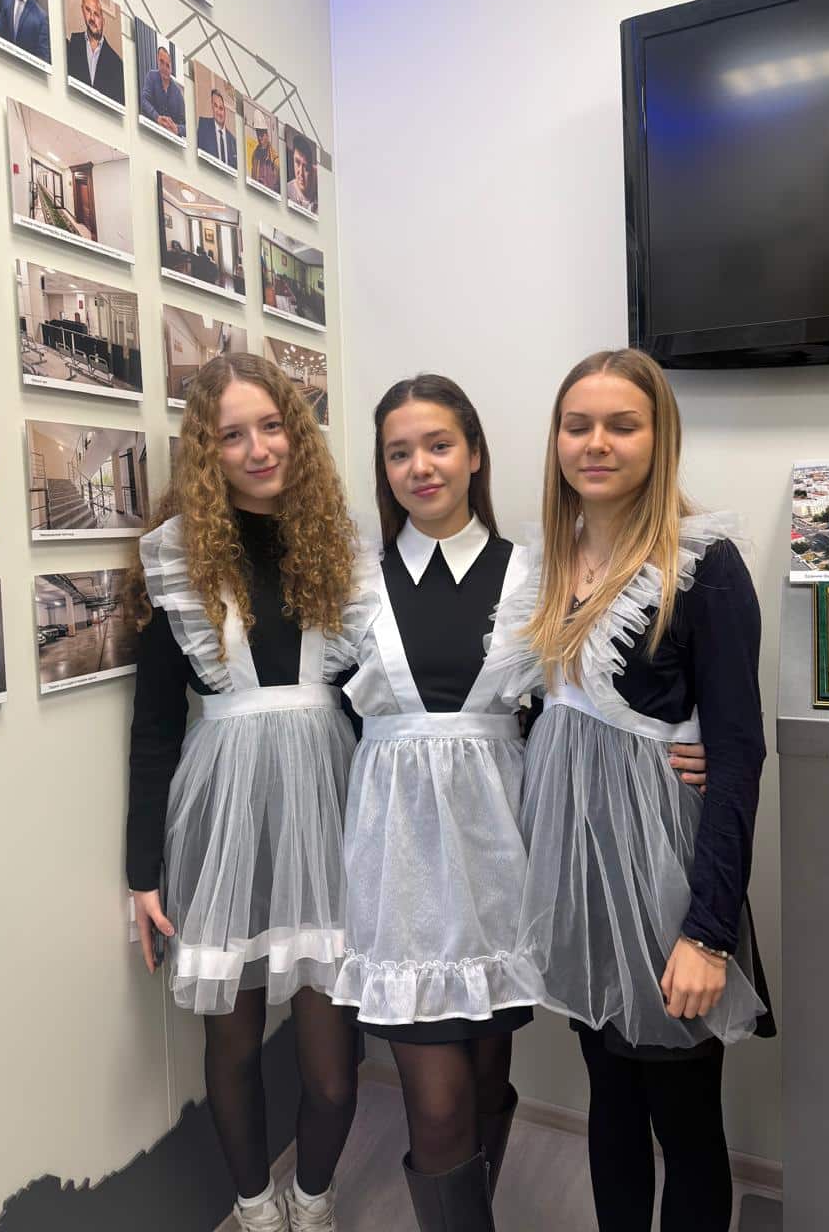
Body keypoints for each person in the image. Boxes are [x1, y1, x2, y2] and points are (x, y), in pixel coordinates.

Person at [333, 374, 709, 1231]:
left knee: (487, 1081)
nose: (421, 466)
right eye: (399, 452)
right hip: (400, 870)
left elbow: (601, 696)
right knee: (436, 1108)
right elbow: (317, 710)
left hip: (508, 856)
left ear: (475, 454)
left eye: (439, 445)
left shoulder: (542, 572)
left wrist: (704, 743)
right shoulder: (353, 583)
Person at [498, 348, 773, 1231]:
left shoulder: (704, 565)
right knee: (609, 1099)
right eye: (577, 425)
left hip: (666, 884)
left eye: (623, 425)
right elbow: (548, 712)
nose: (597, 443)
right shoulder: (548, 562)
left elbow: (738, 755)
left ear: (660, 438)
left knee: (683, 1117)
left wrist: (709, 935)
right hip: (579, 880)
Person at [126, 354, 369, 1231]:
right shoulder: (177, 559)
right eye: (233, 435)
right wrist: (141, 872)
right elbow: (156, 727)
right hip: (223, 816)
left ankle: (313, 1198)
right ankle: (257, 1209)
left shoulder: (342, 547)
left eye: (272, 426)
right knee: (230, 1043)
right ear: (207, 451)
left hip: (329, 807)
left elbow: (382, 699)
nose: (259, 448)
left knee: (332, 1067)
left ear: (296, 434)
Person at [66, 0, 125, 105]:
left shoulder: (117, 64)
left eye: (96, 14)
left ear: (103, 21)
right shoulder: (72, 45)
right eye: (88, 10)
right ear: (82, 11)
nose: (92, 18)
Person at [141, 44, 186, 138]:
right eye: (161, 62)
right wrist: (157, 117)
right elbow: (144, 101)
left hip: (171, 139)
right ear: (157, 62)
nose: (164, 68)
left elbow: (186, 126)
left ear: (171, 69)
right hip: (151, 133)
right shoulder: (151, 76)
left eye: (167, 65)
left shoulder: (178, 93)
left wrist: (177, 128)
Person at [197, 88, 237, 168]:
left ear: (225, 111)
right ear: (212, 108)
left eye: (221, 108)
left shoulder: (233, 141)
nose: (218, 112)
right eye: (215, 106)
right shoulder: (203, 127)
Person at [248, 107, 280, 193]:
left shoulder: (275, 160)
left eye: (262, 135)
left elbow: (278, 188)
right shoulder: (255, 156)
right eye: (258, 134)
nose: (259, 138)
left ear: (267, 135)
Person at [286, 132, 318, 215]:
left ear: (312, 168)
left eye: (305, 167)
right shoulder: (287, 190)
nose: (300, 173)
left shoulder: (320, 182)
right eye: (297, 162)